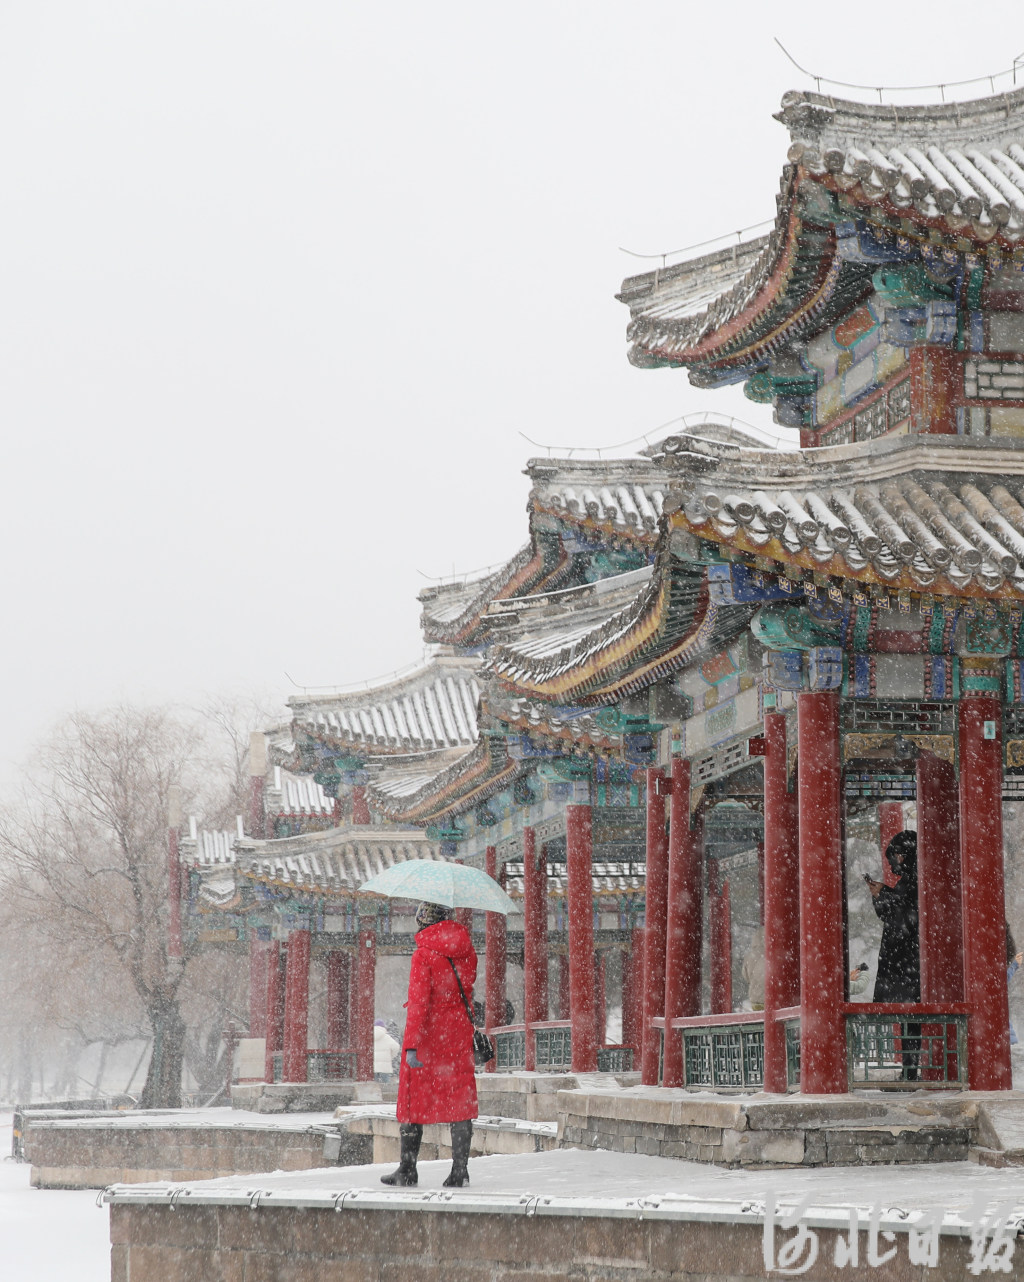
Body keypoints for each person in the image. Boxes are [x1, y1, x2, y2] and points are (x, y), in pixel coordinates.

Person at [381, 901, 478, 1188]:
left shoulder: (423, 955)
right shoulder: (467, 951)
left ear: (423, 921)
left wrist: (410, 1044)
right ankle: (460, 1171)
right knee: (460, 1100)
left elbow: (419, 1004)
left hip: (429, 1037)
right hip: (458, 1033)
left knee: (413, 1101)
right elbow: (465, 990)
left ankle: (408, 1169)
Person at [865, 830, 920, 1079]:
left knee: (911, 1015)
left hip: (908, 958)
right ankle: (911, 1070)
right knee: (910, 1015)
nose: (895, 861)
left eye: (897, 855)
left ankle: (911, 1071)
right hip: (909, 959)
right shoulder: (911, 879)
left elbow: (904, 918)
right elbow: (902, 909)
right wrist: (885, 893)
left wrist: (881, 896)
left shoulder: (914, 879)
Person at [373, 1020, 399, 1084]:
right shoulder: (387, 1037)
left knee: (374, 1085)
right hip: (385, 1067)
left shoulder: (369, 1037)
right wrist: (391, 1056)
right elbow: (396, 1047)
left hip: (373, 1066)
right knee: (386, 1087)